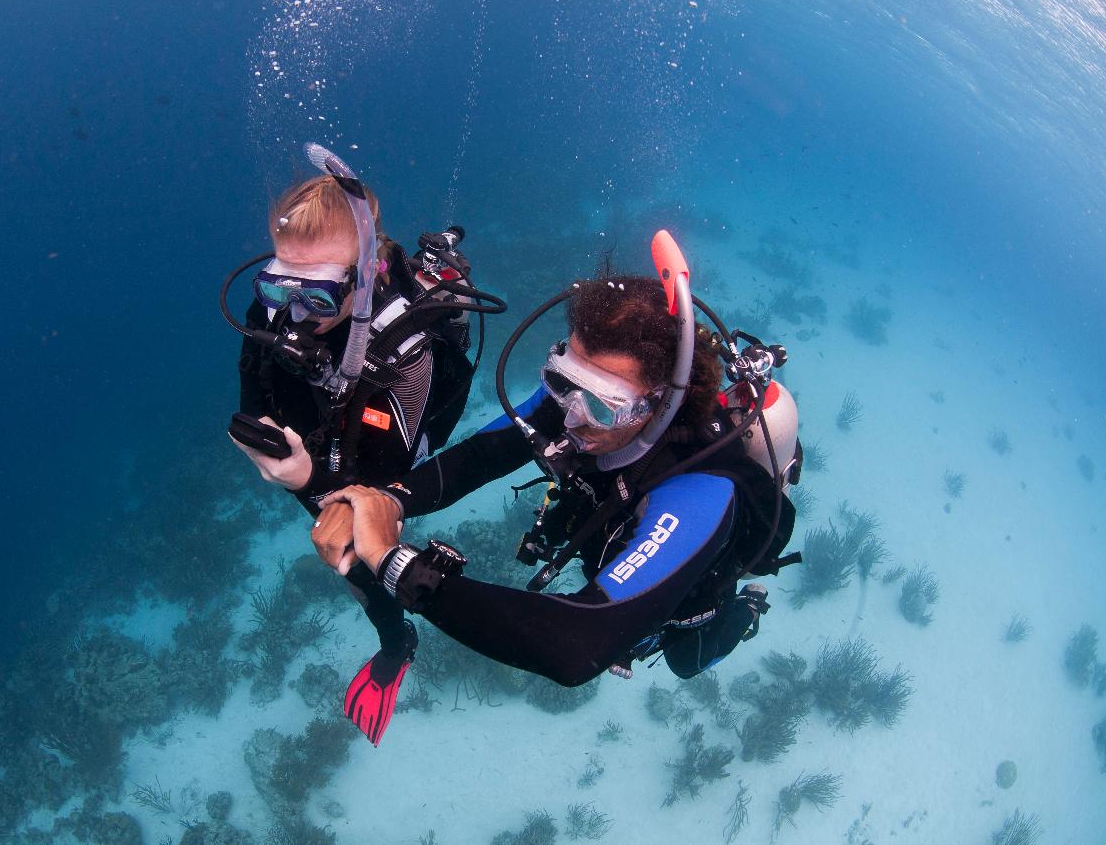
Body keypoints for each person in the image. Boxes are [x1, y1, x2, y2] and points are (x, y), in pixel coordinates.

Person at [305, 230, 802, 693]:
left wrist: (397, 565)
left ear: (660, 404)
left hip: (689, 598)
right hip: (608, 536)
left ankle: (748, 608)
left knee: (686, 661)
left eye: (602, 405)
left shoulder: (703, 488)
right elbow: (479, 457)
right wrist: (386, 501)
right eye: (562, 381)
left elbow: (573, 646)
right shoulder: (565, 409)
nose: (570, 417)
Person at [220, 144, 503, 744]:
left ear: (368, 274)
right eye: (278, 288)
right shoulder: (272, 310)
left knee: (354, 561)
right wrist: (267, 435)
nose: (293, 314)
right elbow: (255, 389)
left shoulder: (409, 353)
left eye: (317, 297)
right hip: (323, 438)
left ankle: (396, 644)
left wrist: (303, 479)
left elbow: (375, 493)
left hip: (388, 449)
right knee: (333, 535)